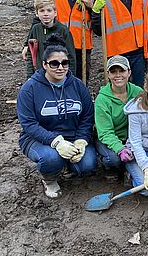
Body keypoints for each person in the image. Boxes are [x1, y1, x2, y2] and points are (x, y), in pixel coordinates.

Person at [17, 34, 96, 198]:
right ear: (45, 65)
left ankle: (68, 165)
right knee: (51, 158)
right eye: (54, 63)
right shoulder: (29, 89)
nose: (60, 67)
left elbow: (87, 116)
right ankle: (49, 178)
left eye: (64, 63)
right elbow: (29, 124)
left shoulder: (78, 86)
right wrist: (56, 141)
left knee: (87, 164)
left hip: (73, 136)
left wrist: (81, 140)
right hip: (38, 139)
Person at [33, 0, 100, 82]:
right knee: (51, 83)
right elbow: (38, 17)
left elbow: (99, 28)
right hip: (52, 45)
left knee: (78, 84)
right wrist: (27, 44)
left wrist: (92, 7)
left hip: (81, 48)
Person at [91, 0, 146, 87]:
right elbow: (98, 31)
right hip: (117, 53)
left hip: (138, 52)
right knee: (118, 90)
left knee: (137, 90)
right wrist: (96, 11)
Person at [94, 55, 142, 179]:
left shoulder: (138, 92)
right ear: (108, 74)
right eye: (113, 72)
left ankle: (128, 169)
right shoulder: (102, 99)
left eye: (122, 71)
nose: (118, 75)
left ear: (129, 72)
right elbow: (105, 132)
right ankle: (109, 166)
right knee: (113, 158)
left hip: (132, 138)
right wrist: (120, 148)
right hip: (108, 138)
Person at [24, 0, 76, 78]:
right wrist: (30, 76)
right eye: (42, 11)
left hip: (58, 74)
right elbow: (31, 54)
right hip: (40, 74)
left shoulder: (63, 30)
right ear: (37, 13)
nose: (45, 14)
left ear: (55, 13)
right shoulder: (35, 29)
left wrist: (70, 78)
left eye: (49, 10)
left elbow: (71, 56)